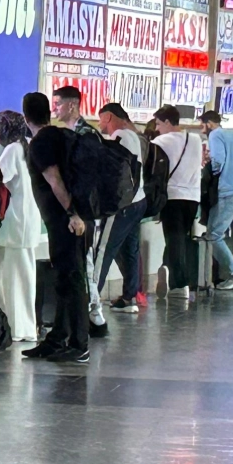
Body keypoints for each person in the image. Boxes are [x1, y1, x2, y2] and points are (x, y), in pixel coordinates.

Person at [21, 92, 91, 363]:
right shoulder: (60, 135)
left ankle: (79, 343)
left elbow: (55, 182)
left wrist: (72, 214)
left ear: (25, 115)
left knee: (72, 280)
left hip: (67, 221)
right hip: (67, 219)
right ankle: (57, 338)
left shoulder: (41, 142)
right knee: (64, 279)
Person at [52, 86, 108, 337]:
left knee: (85, 264)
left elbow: (86, 179)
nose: (55, 109)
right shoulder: (77, 134)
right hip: (83, 211)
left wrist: (78, 212)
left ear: (72, 105)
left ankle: (93, 317)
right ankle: (93, 316)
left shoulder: (86, 136)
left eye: (59, 104)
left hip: (85, 213)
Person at [0, 111, 41, 342]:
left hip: (16, 225)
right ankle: (17, 326)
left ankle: (18, 328)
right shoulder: (25, 147)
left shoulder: (12, 151)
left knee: (13, 279)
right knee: (11, 276)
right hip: (24, 224)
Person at [97, 103, 148, 312]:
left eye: (100, 118)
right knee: (130, 250)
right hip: (139, 201)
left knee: (104, 251)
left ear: (108, 117)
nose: (99, 123)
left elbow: (113, 173)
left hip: (122, 205)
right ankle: (130, 298)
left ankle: (90, 299)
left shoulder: (118, 137)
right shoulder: (133, 136)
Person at [152, 106, 202, 300]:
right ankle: (168, 271)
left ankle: (180, 284)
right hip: (192, 198)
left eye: (158, 123)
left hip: (172, 196)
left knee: (173, 239)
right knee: (180, 239)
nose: (156, 128)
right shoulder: (196, 139)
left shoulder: (160, 142)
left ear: (166, 122)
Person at [199, 110, 233, 291]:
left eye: (202, 125)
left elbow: (218, 161)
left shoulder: (215, 135)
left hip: (228, 190)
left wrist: (210, 169)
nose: (201, 129)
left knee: (214, 234)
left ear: (210, 124)